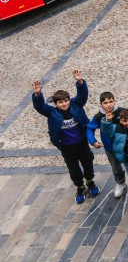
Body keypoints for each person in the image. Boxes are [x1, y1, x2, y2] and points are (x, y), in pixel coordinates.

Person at [31, 71, 99, 204]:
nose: (64, 104)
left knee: (88, 163)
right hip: (66, 147)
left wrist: (80, 82)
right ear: (56, 103)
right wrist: (38, 94)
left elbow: (82, 95)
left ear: (69, 100)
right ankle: (80, 186)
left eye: (66, 101)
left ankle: (90, 181)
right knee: (73, 168)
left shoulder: (75, 105)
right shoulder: (52, 112)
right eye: (60, 102)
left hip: (81, 143)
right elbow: (40, 106)